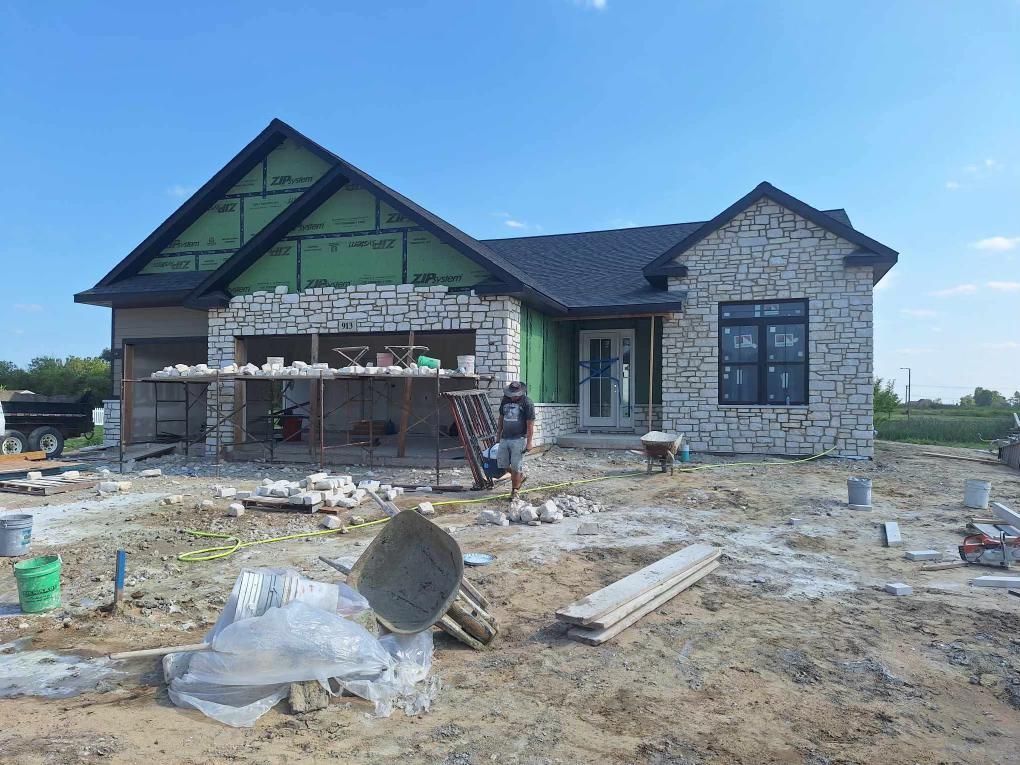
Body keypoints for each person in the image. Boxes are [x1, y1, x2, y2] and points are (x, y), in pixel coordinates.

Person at [496, 381, 535, 499]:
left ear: (521, 392)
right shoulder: (505, 400)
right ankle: (520, 477)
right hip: (505, 437)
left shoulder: (527, 403)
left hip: (519, 439)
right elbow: (501, 417)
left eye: (516, 394)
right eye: (511, 394)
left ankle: (515, 491)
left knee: (516, 466)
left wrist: (529, 442)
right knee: (502, 463)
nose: (513, 396)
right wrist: (498, 434)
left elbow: (530, 424)